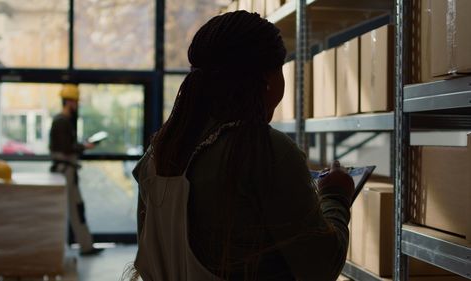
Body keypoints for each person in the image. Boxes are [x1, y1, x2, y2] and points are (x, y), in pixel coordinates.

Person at [128, 11, 354, 281]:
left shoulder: (158, 155)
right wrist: (336, 196)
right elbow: (321, 267)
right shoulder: (266, 151)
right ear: (267, 80)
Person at [49, 84, 103, 256]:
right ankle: (85, 246)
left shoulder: (62, 121)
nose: (77, 104)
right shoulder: (62, 121)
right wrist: (84, 146)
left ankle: (85, 245)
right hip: (65, 171)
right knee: (74, 208)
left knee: (74, 208)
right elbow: (66, 148)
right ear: (69, 101)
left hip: (65, 170)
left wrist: (81, 145)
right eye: (75, 101)